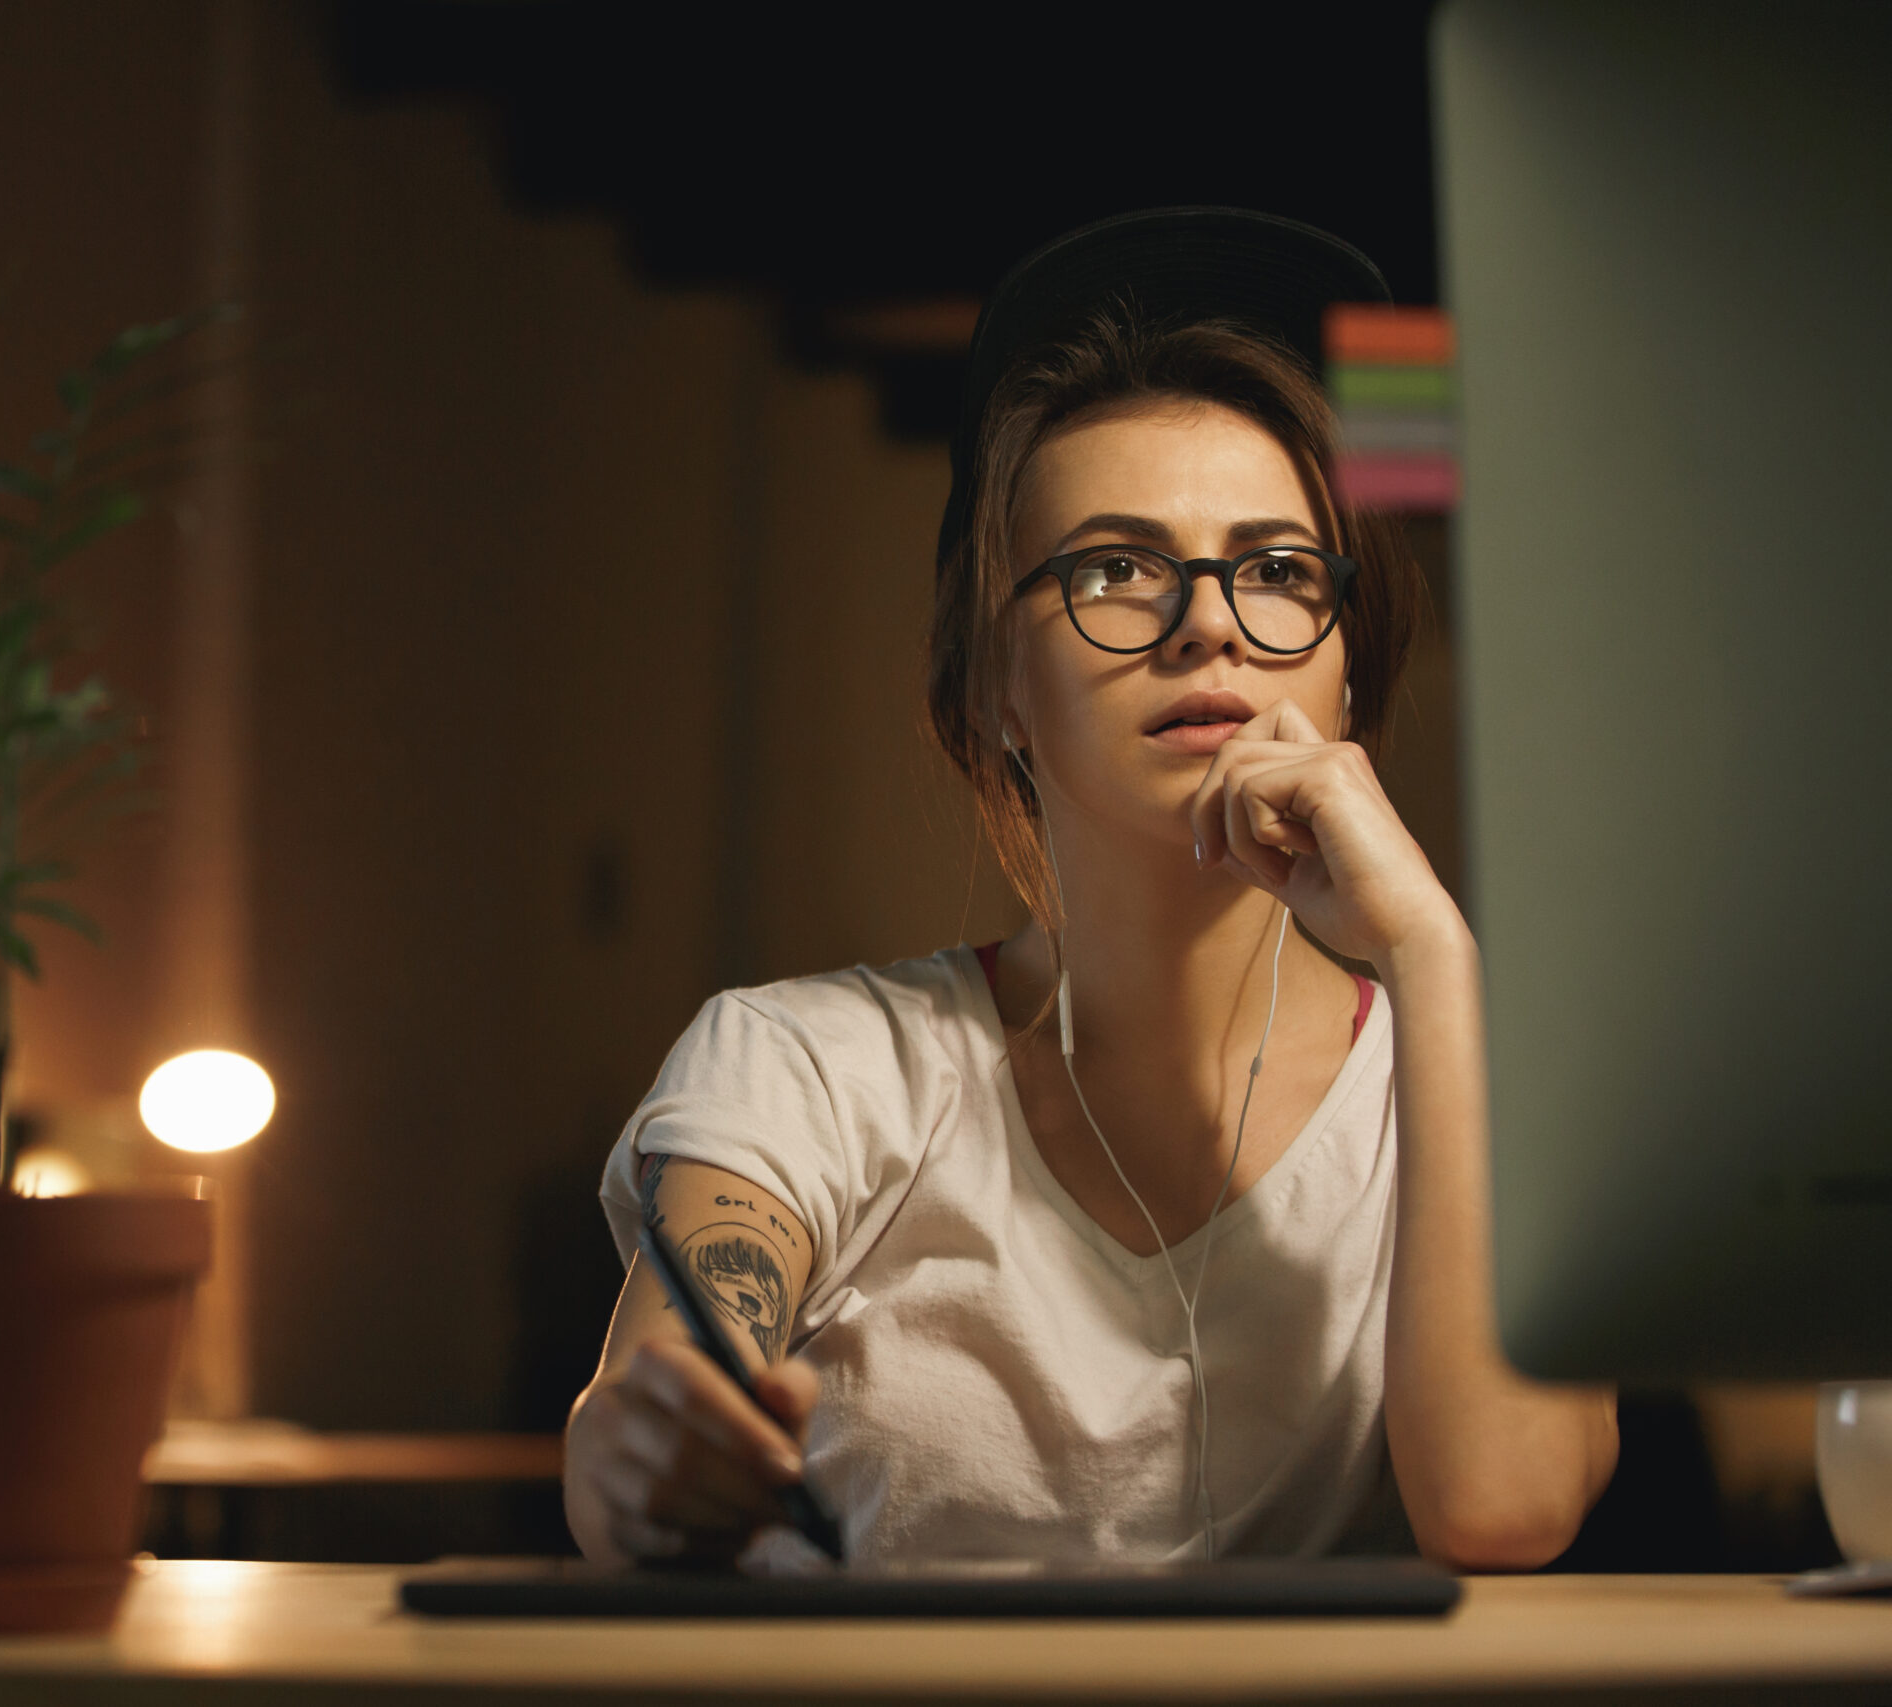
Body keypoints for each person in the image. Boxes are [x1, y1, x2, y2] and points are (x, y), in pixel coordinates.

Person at [562, 209, 1618, 1571]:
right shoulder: (809, 1071)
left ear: (1345, 668)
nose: (1208, 619)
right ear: (994, 686)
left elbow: (1506, 1509)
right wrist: (640, 1451)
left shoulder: (1466, 1080)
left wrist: (1429, 947)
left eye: (1281, 571)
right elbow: (641, 1428)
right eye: (1115, 567)